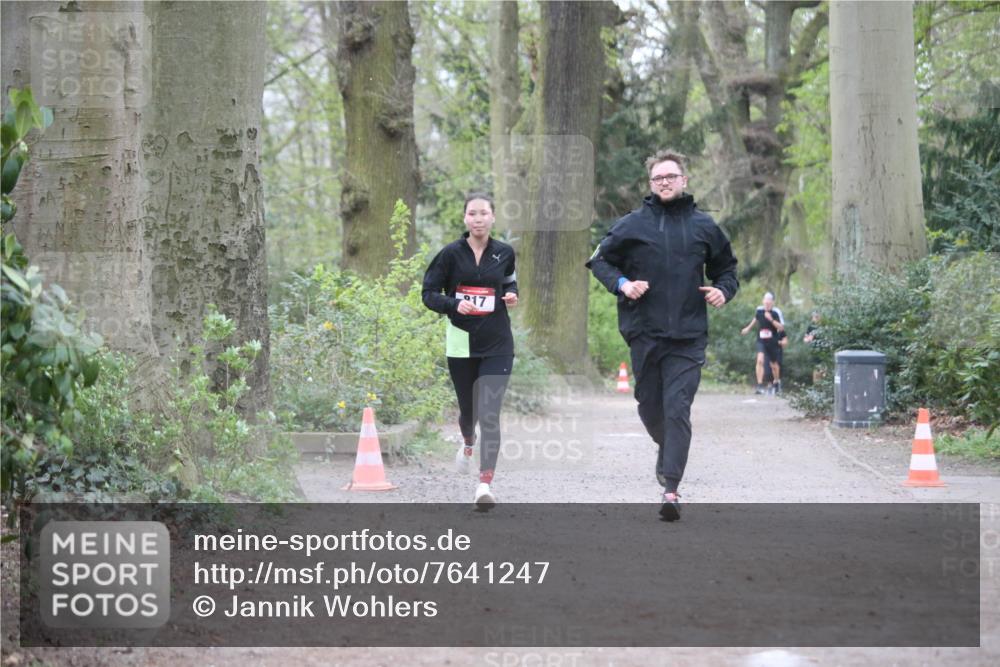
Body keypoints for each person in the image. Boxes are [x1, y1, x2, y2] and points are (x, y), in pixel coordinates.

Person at [586, 149, 739, 521]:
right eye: (658, 178)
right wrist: (622, 284)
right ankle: (666, 448)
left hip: (688, 337)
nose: (665, 182)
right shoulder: (632, 225)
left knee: (677, 409)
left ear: (684, 180)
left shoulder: (704, 226)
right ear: (651, 184)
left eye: (671, 176)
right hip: (644, 332)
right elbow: (599, 260)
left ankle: (671, 489)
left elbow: (727, 270)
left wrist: (723, 290)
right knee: (650, 406)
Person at [422, 193, 518, 508]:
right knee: (469, 413)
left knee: (489, 414)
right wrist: (453, 304)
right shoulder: (450, 254)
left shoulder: (504, 252)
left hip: (497, 343)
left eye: (484, 213)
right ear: (465, 218)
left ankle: (484, 485)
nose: (478, 219)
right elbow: (428, 294)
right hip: (461, 343)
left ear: (492, 218)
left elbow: (509, 283)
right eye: (472, 214)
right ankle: (467, 440)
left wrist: (512, 296)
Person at [740, 292, 785, 395]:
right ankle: (759, 385)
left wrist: (771, 320)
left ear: (772, 302)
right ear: (763, 301)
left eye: (769, 300)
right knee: (760, 360)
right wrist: (747, 329)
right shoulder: (759, 311)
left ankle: (777, 382)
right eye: (765, 300)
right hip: (761, 341)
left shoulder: (775, 313)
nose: (767, 302)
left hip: (772, 342)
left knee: (774, 365)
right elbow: (754, 320)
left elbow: (781, 328)